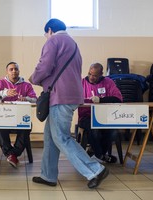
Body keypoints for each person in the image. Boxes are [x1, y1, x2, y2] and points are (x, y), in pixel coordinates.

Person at [29, 18, 109, 189]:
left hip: (60, 96)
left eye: (45, 34)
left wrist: (33, 78)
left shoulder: (54, 41)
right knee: (51, 137)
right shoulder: (72, 43)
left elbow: (45, 66)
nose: (46, 37)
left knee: (61, 137)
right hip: (72, 94)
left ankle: (95, 169)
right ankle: (48, 175)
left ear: (50, 30)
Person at [0, 61, 37, 168]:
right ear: (7, 72)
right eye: (11, 69)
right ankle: (12, 155)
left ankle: (12, 154)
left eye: (16, 69)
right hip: (4, 117)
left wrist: (26, 99)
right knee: (0, 126)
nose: (14, 71)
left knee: (27, 126)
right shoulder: (0, 83)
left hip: (20, 119)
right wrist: (5, 93)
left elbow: (35, 99)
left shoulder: (26, 85)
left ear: (19, 71)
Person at [78, 63, 123, 163]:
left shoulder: (108, 82)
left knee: (113, 132)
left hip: (104, 116)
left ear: (101, 74)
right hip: (86, 116)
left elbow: (118, 99)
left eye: (94, 75)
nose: (91, 77)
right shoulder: (82, 83)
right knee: (95, 128)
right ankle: (101, 156)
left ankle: (94, 151)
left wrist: (101, 100)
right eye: (90, 74)